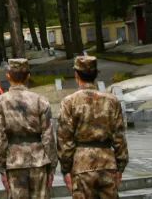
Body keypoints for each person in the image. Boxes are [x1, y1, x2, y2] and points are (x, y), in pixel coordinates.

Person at [56, 55, 129, 199]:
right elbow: (119, 137)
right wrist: (120, 167)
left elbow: (64, 140)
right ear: (96, 74)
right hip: (107, 163)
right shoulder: (112, 101)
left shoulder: (69, 102)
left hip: (81, 165)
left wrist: (66, 169)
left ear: (76, 75)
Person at [0, 58, 56, 199]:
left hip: (14, 162)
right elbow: (48, 137)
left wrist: (2, 168)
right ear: (28, 76)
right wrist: (52, 167)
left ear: (8, 75)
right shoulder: (40, 100)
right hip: (39, 161)